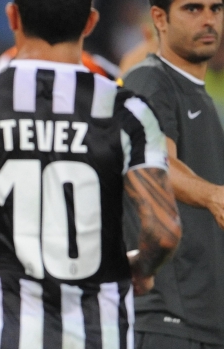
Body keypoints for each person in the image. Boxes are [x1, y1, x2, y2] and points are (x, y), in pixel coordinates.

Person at [0, 0, 182, 348]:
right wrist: (141, 267)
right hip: (100, 333)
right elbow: (165, 231)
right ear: (91, 22)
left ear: (12, 17)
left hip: (1, 334)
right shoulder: (129, 111)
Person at [120, 0, 224, 348]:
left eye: (217, 8)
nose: (209, 20)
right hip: (167, 322)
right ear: (159, 19)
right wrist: (212, 195)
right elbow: (157, 160)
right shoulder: (149, 79)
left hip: (204, 321)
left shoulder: (204, 97)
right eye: (193, 9)